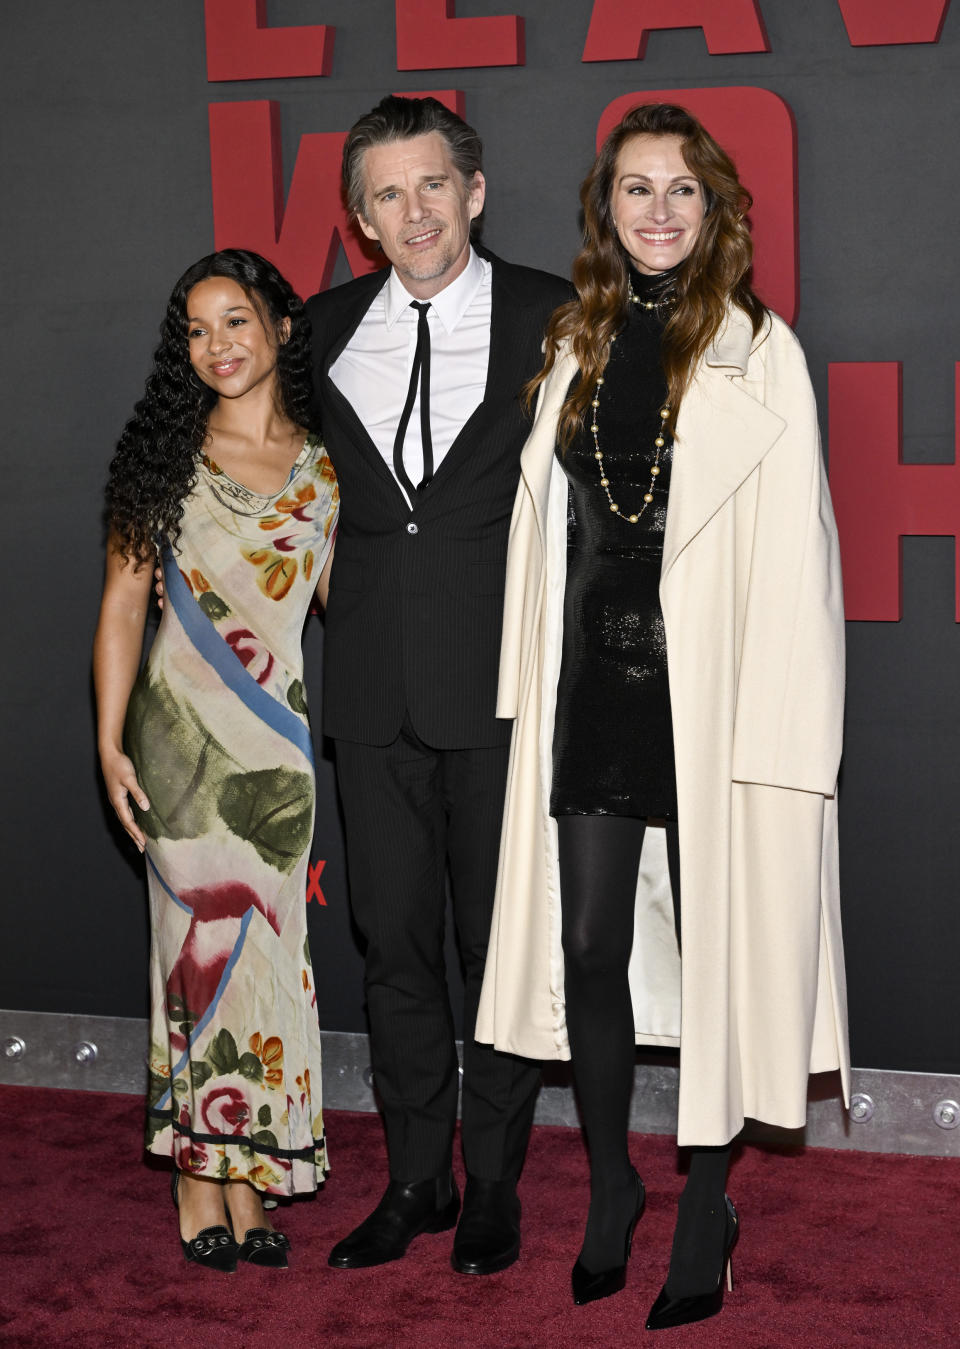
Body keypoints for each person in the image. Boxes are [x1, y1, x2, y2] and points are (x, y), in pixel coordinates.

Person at [476, 103, 849, 1327]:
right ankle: (611, 1189)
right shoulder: (575, 340)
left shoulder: (761, 351)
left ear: (717, 209)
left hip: (710, 698)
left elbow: (802, 556)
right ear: (607, 207)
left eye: (680, 190)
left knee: (721, 948)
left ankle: (705, 1196)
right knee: (584, 947)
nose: (656, 211)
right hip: (594, 690)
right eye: (634, 189)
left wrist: (790, 732)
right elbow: (553, 537)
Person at [304, 96, 572, 1275]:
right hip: (368, 693)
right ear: (361, 220)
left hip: (505, 686)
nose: (410, 212)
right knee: (393, 943)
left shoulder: (552, 316)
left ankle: (497, 1183)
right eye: (384, 195)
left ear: (473, 191)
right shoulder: (317, 331)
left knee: (502, 943)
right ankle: (417, 1174)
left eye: (429, 186)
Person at [94, 249, 339, 1272]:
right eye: (195, 331)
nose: (217, 347)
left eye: (234, 321)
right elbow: (119, 605)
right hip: (180, 748)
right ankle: (201, 1174)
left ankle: (253, 1173)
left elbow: (347, 609)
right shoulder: (166, 453)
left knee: (270, 963)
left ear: (281, 324)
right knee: (198, 964)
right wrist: (108, 741)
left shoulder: (326, 465)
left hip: (275, 754)